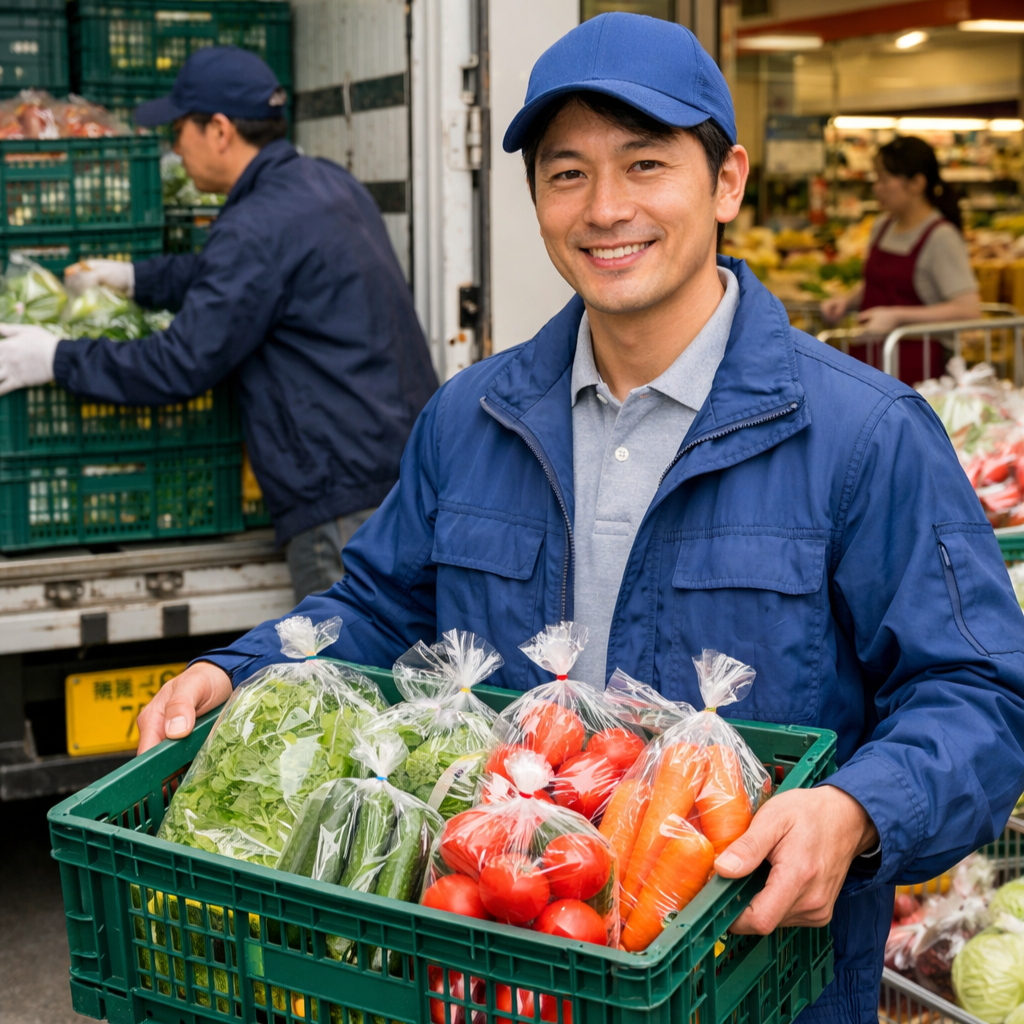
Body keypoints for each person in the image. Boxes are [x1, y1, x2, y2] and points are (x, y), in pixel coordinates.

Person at [136, 15, 1024, 1024]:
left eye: (645, 164)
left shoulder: (864, 435)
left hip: (760, 983)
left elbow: (978, 694)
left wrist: (857, 810)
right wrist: (238, 667)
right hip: (505, 963)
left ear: (725, 181)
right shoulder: (472, 417)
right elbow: (383, 606)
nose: (606, 208)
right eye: (566, 175)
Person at [0, 46, 438, 601]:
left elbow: (179, 364)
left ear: (220, 130)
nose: (174, 147)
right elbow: (244, 278)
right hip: (399, 474)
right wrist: (136, 278)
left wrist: (55, 358)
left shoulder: (257, 224)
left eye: (180, 130)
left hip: (342, 502)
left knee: (350, 680)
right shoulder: (323, 183)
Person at [821, 135, 980, 384]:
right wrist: (847, 301)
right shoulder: (883, 226)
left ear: (917, 183)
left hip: (917, 372)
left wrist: (898, 317)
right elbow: (879, 283)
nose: (876, 187)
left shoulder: (941, 237)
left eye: (884, 178)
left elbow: (968, 310)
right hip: (870, 360)